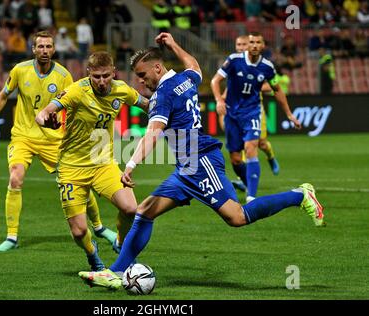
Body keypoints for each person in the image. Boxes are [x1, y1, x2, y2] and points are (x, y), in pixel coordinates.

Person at [78, 32, 325, 290]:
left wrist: (130, 166)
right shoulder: (185, 78)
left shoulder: (164, 93)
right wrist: (174, 45)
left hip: (199, 161)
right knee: (145, 211)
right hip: (188, 166)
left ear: (158, 67)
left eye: (142, 75)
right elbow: (194, 64)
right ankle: (117, 272)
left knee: (237, 217)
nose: (140, 82)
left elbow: (153, 133)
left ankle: (300, 195)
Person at [0, 31, 116, 262]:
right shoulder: (19, 71)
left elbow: (74, 104)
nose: (44, 50)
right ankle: (11, 237)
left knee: (79, 181)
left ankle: (100, 228)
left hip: (54, 140)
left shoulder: (63, 75)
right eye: (40, 46)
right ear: (33, 49)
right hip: (23, 136)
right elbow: (3, 96)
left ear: (54, 49)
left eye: (48, 46)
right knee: (15, 177)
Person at [35, 51, 149, 271]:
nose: (102, 81)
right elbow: (46, 111)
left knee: (131, 209)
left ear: (113, 72)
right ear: (88, 74)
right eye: (96, 76)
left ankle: (120, 243)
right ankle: (91, 252)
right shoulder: (77, 91)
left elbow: (146, 104)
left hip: (102, 162)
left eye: (106, 75)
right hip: (71, 168)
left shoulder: (121, 89)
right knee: (78, 231)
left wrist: (168, 109)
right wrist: (45, 120)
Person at [210, 32, 301, 203]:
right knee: (236, 159)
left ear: (262, 46)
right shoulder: (234, 60)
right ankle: (248, 182)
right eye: (251, 42)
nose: (253, 45)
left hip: (252, 112)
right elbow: (215, 81)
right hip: (232, 114)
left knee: (252, 147)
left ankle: (251, 196)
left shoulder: (267, 67)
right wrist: (218, 100)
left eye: (257, 42)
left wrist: (289, 114)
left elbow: (277, 90)